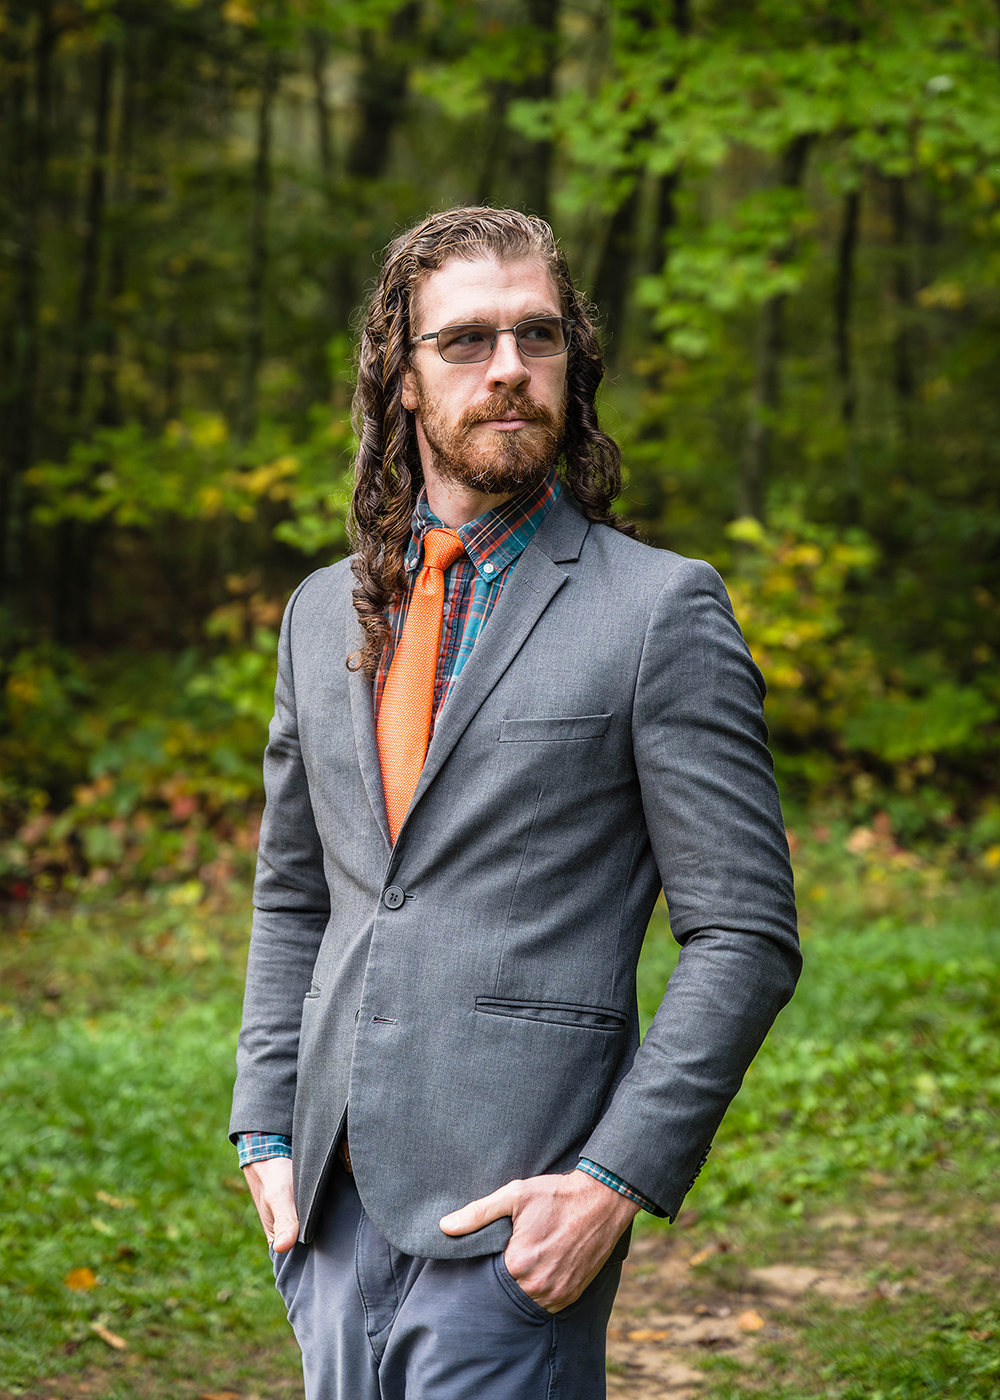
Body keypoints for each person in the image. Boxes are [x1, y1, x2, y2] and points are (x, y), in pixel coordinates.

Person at [230, 206, 800, 1400]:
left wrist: (609, 1182)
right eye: (466, 341)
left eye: (535, 337)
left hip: (515, 1224)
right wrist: (265, 1131)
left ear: (572, 363)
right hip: (325, 1218)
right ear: (399, 376)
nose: (506, 369)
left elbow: (743, 932)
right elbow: (298, 894)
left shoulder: (659, 610)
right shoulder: (318, 610)